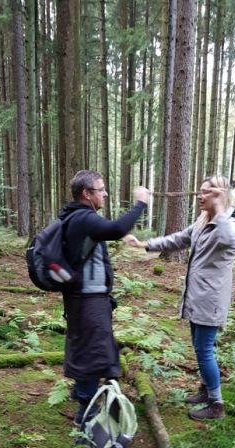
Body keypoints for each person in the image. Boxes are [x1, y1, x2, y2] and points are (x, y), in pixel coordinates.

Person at [124, 174, 235, 421]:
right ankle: (205, 389)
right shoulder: (204, 221)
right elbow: (178, 239)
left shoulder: (229, 223)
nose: (200, 196)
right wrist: (144, 244)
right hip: (196, 295)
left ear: (220, 194)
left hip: (210, 299)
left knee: (204, 350)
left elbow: (229, 239)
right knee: (200, 347)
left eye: (206, 192)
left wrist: (222, 208)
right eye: (199, 192)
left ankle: (216, 403)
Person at [60, 169, 149, 426]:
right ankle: (84, 417)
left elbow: (105, 232)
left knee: (93, 348)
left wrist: (120, 235)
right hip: (87, 301)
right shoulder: (82, 218)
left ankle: (84, 394)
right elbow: (117, 226)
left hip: (87, 301)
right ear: (87, 194)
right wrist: (141, 202)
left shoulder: (78, 218)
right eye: (101, 190)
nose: (105, 194)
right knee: (91, 354)